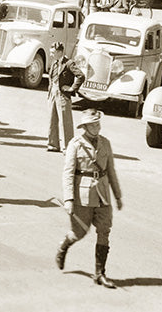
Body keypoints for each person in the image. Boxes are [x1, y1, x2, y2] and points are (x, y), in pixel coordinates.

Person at [56, 109, 123, 288]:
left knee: (104, 231)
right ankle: (64, 245)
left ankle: (100, 273)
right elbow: (68, 173)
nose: (97, 127)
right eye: (93, 124)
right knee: (79, 233)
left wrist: (117, 195)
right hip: (82, 196)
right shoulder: (75, 144)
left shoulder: (106, 143)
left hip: (102, 195)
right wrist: (68, 199)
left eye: (98, 123)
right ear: (85, 126)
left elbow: (111, 171)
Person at [47, 42, 84, 152]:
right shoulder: (54, 63)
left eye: (53, 52)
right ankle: (53, 144)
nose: (51, 54)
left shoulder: (68, 63)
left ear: (59, 52)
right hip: (53, 93)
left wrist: (72, 88)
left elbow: (81, 76)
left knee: (65, 121)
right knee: (52, 120)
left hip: (62, 95)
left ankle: (68, 147)